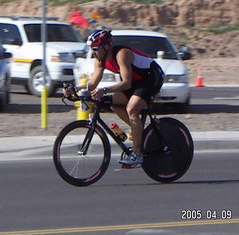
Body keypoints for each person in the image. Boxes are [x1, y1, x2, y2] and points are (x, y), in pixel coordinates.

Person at [64, 30, 164, 165]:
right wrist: (74, 89)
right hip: (135, 81)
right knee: (114, 103)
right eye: (91, 49)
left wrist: (104, 90)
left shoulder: (122, 54)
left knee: (132, 109)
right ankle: (141, 132)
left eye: (95, 49)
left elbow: (126, 83)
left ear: (106, 47)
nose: (93, 52)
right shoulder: (100, 60)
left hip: (151, 77)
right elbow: (92, 84)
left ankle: (138, 153)